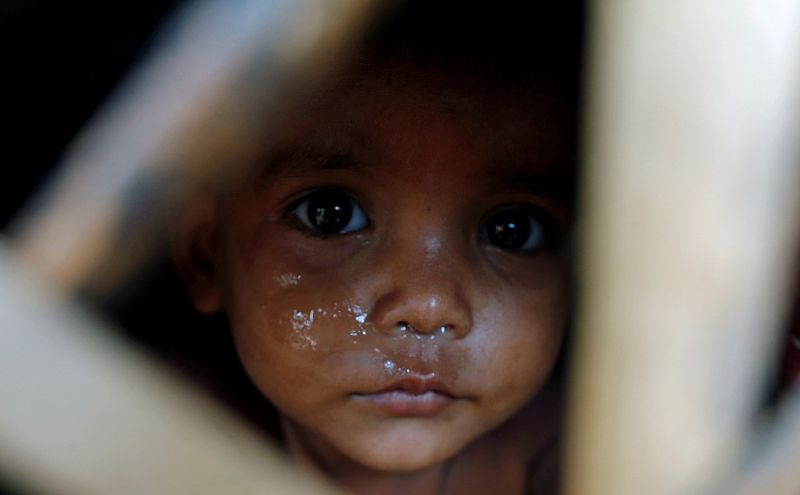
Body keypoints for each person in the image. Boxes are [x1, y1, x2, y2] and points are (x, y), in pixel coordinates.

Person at [170, 3, 581, 493]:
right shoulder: (159, 414)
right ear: (205, 253)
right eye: (331, 214)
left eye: (513, 231)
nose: (428, 306)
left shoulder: (580, 451)